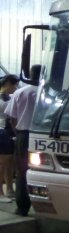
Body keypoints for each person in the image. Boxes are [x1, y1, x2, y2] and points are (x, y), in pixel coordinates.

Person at [5, 65, 41, 216]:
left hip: (23, 135)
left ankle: (22, 207)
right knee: (41, 171)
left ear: (30, 75)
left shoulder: (20, 93)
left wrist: (17, 133)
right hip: (42, 136)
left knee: (21, 171)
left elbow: (12, 118)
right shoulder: (47, 94)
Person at [0, 74, 19, 202]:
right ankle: (0, 193)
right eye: (14, 85)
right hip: (2, 130)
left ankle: (10, 190)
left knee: (10, 161)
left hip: (9, 130)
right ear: (7, 84)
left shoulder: (9, 97)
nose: (16, 88)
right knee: (3, 162)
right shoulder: (2, 97)